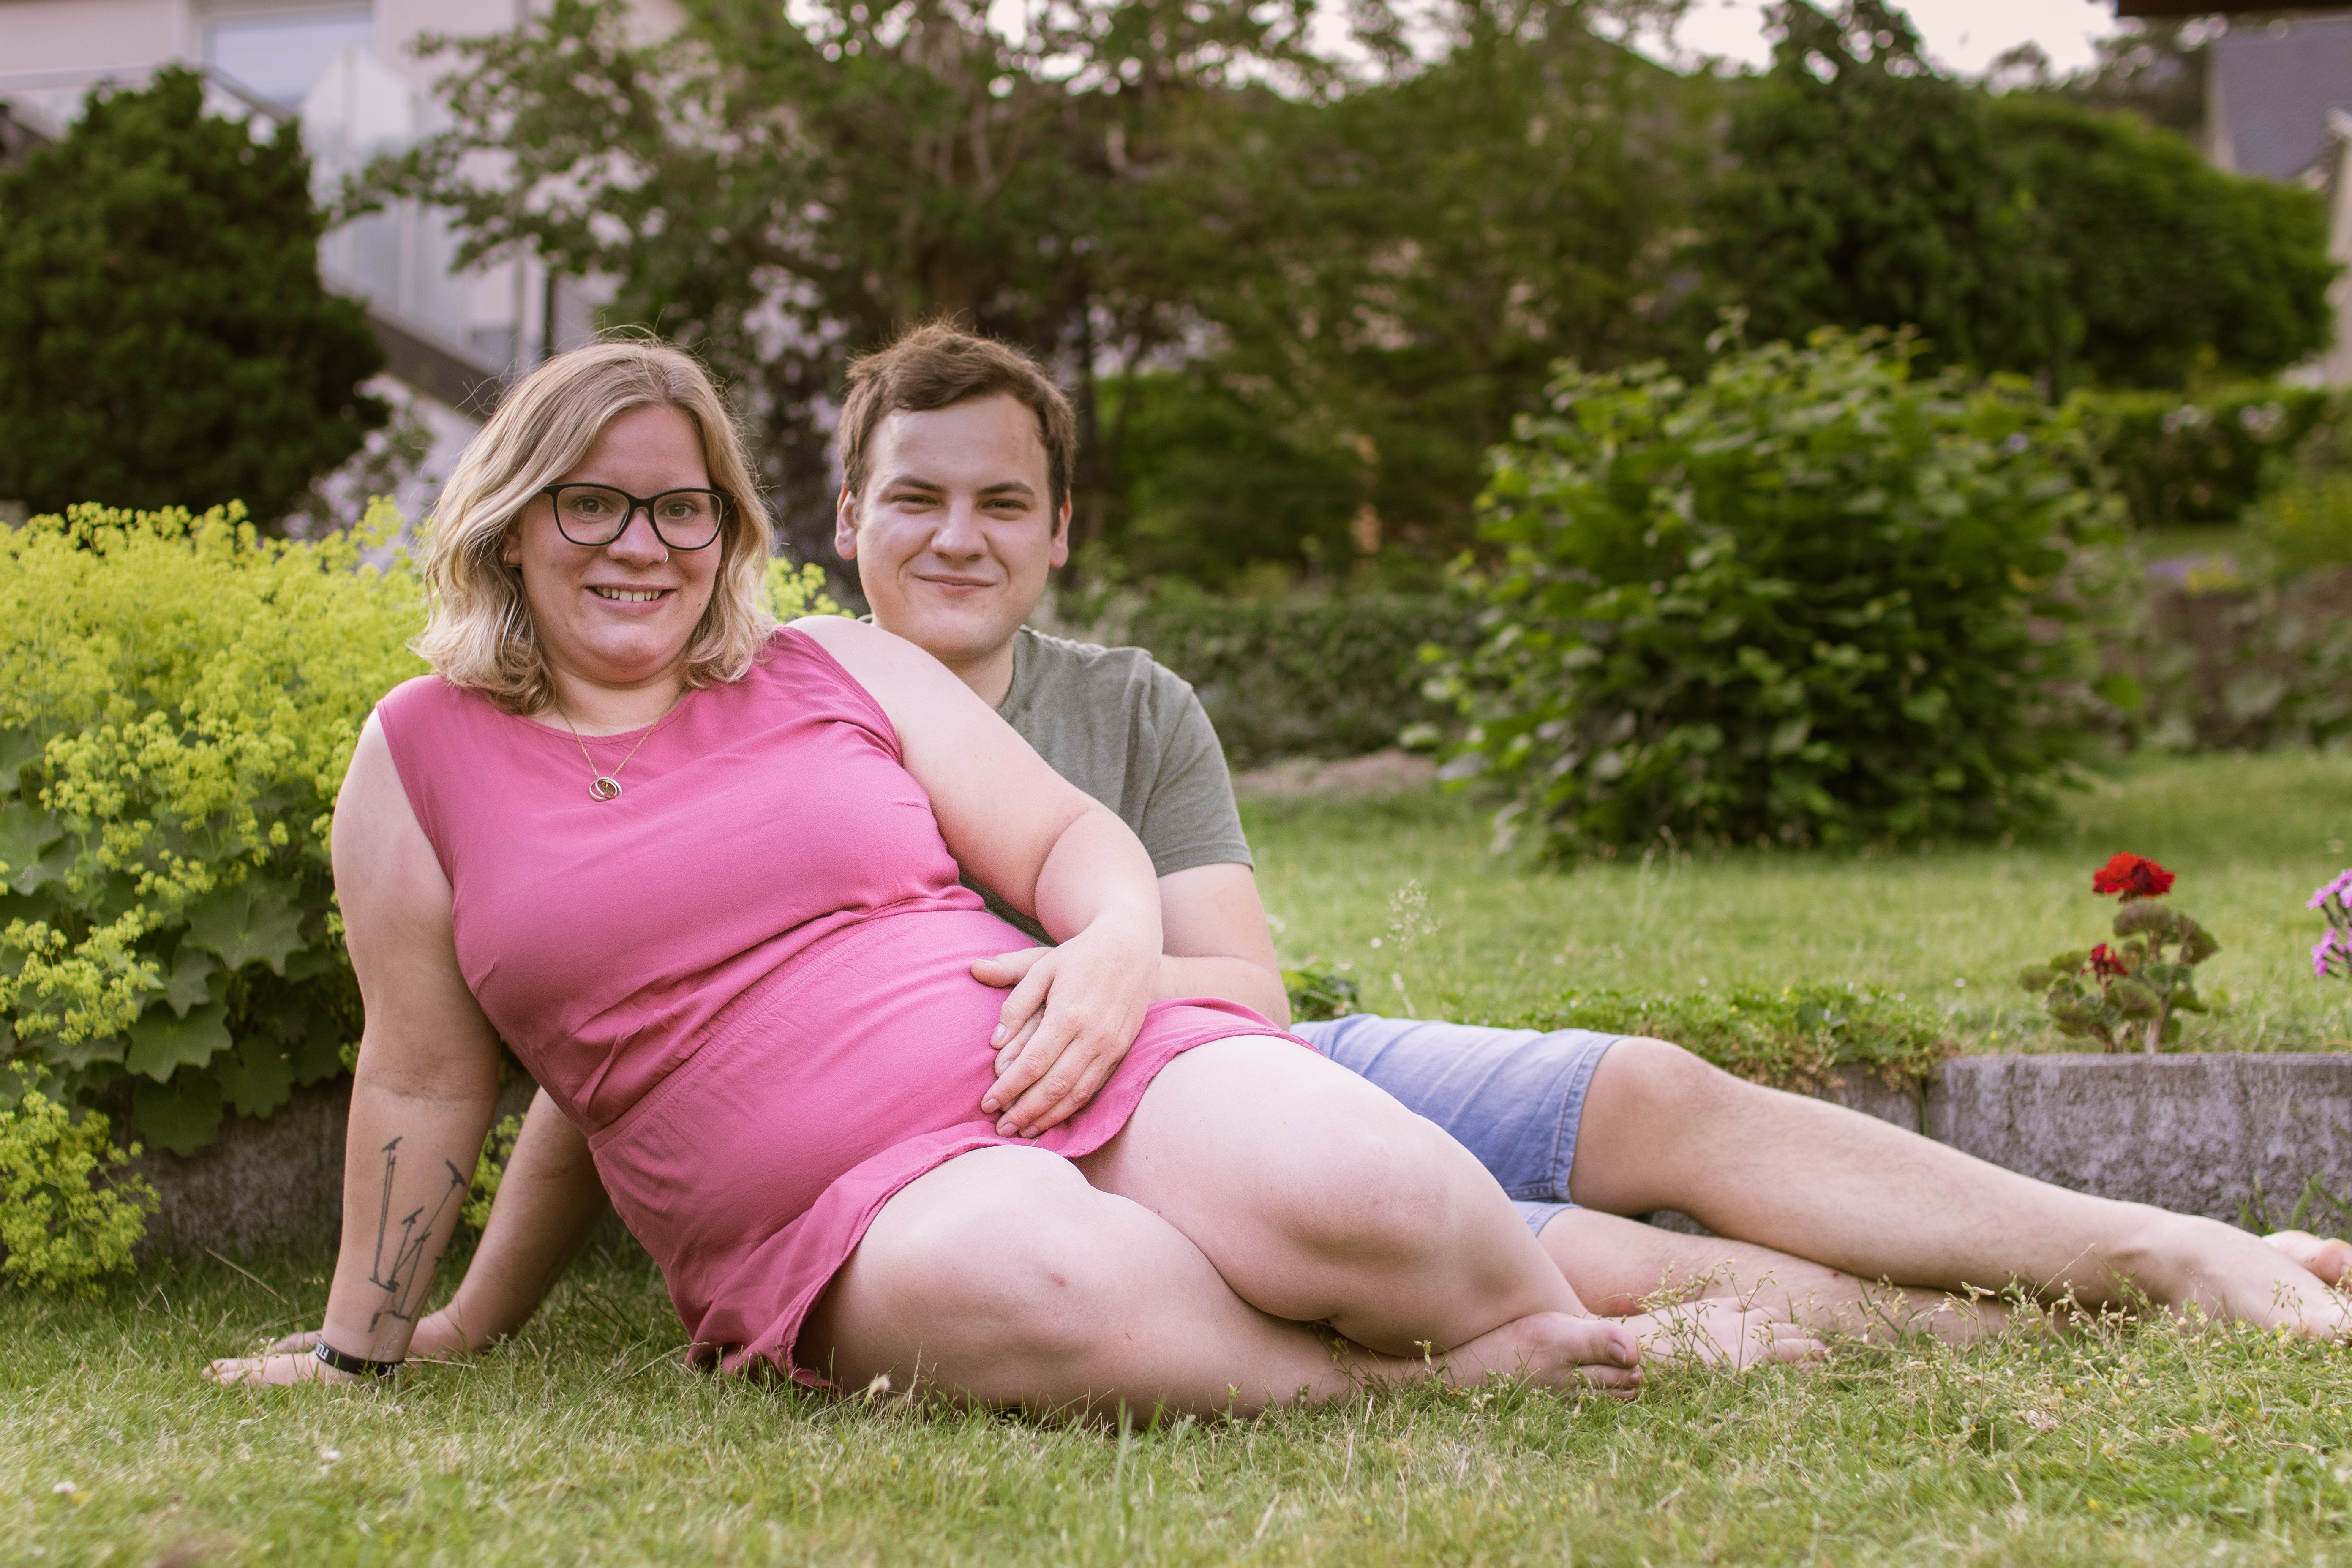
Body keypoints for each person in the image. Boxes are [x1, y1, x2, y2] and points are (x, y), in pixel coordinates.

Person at [289, 325, 2346, 1369]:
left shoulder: (1065, 703)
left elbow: (1232, 980)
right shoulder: (683, 716)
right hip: (970, 1163)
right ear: (844, 513)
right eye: (916, 500)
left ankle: (2169, 1255)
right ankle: (1938, 1325)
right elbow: (598, 1055)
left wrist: (1088, 974)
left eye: (1003, 504)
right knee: (1552, 1254)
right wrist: (428, 1325)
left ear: (1058, 528)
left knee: (1645, 1100)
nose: (956, 538)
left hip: (1220, 1057)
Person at [210, 337, 1800, 1413]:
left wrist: (1112, 947)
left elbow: (1067, 844)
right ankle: (1434, 1379)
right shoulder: (419, 754)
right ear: (508, 524)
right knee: (1048, 1285)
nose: (643, 543)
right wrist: (373, 1348)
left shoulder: (826, 661)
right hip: (851, 1209)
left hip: (1076, 1058)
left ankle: (1583, 1309)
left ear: (732, 528)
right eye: (594, 502)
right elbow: (424, 1085)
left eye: (681, 505)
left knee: (1372, 1189)